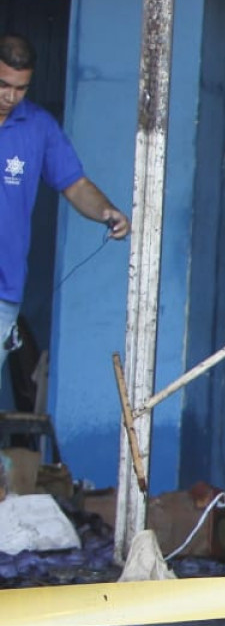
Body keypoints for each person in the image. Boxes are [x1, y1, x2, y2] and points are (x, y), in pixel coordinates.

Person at [0, 33, 130, 380]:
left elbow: (75, 185)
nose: (10, 97)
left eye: (20, 88)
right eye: (3, 85)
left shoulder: (38, 126)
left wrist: (107, 211)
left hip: (3, 288)